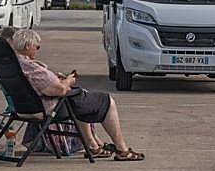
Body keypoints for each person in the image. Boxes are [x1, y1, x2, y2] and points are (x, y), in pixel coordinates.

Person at [10, 28, 143, 161]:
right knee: (107, 101)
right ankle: (122, 150)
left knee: (82, 101)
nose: (37, 50)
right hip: (51, 108)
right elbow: (59, 90)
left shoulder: (14, 65)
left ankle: (93, 146)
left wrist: (56, 79)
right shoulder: (32, 68)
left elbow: (41, 85)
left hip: (24, 109)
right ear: (28, 46)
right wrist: (69, 80)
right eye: (37, 47)